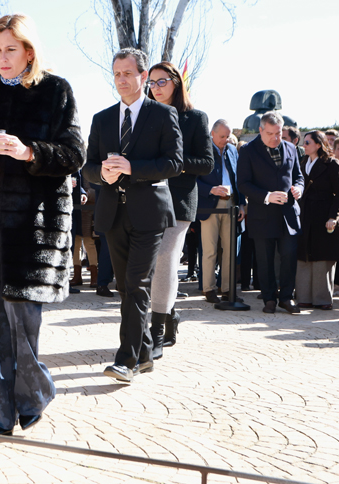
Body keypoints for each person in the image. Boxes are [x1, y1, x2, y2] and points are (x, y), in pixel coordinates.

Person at [0, 14, 84, 435]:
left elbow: (73, 154)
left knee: (23, 326)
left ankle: (35, 391)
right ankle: (1, 417)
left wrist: (29, 152)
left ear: (29, 50)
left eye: (10, 48)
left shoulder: (56, 90)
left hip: (34, 225)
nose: (2, 57)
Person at [83, 47, 183, 382]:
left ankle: (125, 360)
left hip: (149, 214)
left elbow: (174, 163)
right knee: (126, 288)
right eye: (116, 74)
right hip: (113, 212)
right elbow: (88, 168)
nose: (121, 80)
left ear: (143, 76)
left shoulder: (163, 115)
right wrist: (103, 175)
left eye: (128, 73)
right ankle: (143, 353)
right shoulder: (101, 119)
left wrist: (132, 168)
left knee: (137, 284)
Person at [145, 61, 213, 358]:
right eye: (151, 83)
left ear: (176, 82)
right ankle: (169, 313)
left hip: (181, 200)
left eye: (162, 81)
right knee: (151, 266)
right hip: (146, 199)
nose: (156, 88)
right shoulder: (143, 117)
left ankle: (156, 329)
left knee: (165, 257)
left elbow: (207, 163)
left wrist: (175, 160)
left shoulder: (195, 118)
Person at [237, 112, 304, 314]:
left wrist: (299, 188)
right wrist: (267, 196)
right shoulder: (248, 151)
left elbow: (298, 177)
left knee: (289, 257)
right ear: (260, 130)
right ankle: (269, 299)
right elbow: (243, 184)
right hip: (262, 214)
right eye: (270, 134)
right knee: (265, 260)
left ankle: (286, 298)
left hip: (288, 214)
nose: (275, 138)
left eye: (278, 133)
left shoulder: (291, 148)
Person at [294, 131, 339, 310]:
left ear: (318, 144)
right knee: (304, 256)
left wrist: (333, 216)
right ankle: (303, 297)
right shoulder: (302, 162)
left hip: (325, 216)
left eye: (308, 142)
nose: (304, 145)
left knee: (323, 259)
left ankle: (323, 299)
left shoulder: (332, 164)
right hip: (305, 215)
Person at [197, 119, 245, 304]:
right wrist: (211, 190)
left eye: (227, 136)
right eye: (222, 136)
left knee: (231, 250)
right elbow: (193, 180)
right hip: (209, 205)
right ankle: (208, 289)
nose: (225, 140)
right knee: (209, 249)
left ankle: (227, 289)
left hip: (231, 205)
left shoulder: (233, 150)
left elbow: (238, 178)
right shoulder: (201, 150)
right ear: (212, 134)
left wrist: (241, 203)